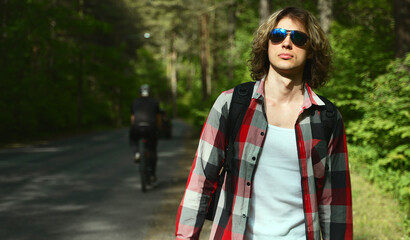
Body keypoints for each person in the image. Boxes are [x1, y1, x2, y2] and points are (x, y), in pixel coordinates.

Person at [175, 7, 352, 240]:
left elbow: (335, 203)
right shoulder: (232, 104)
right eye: (278, 35)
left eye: (298, 38)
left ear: (311, 51)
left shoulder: (326, 117)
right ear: (267, 44)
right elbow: (201, 182)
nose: (286, 43)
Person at [130, 84, 161, 184]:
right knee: (152, 150)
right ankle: (152, 174)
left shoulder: (135, 102)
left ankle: (136, 153)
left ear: (140, 93)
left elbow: (133, 118)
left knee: (133, 138)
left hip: (137, 127)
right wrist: (158, 128)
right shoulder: (154, 102)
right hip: (151, 128)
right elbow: (158, 118)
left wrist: (134, 127)